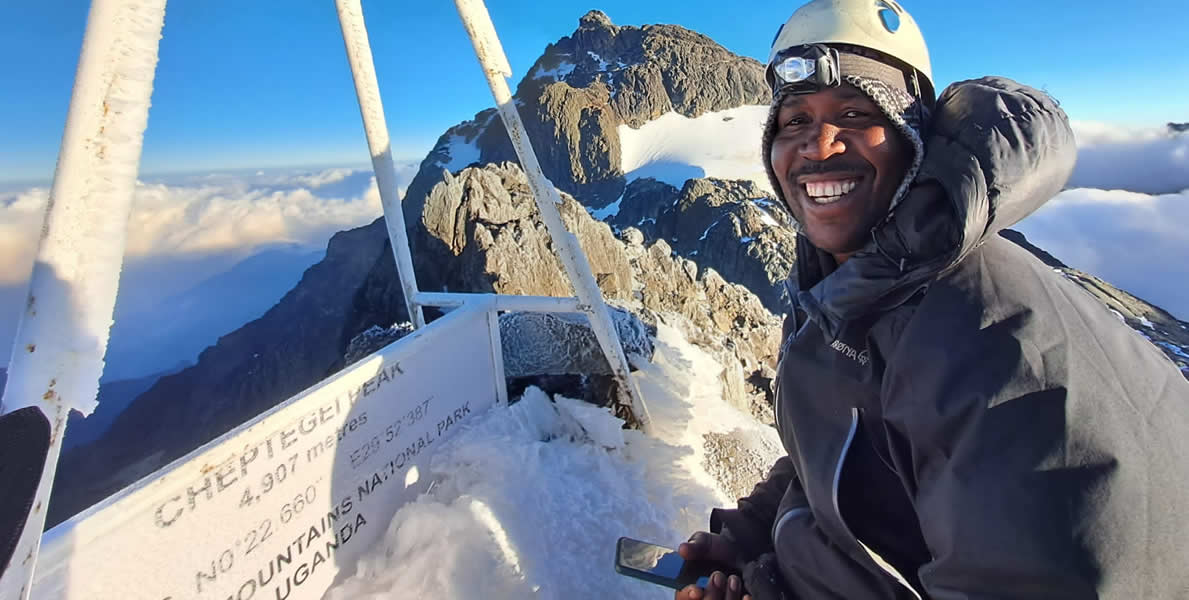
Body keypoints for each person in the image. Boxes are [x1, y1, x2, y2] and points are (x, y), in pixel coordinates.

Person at [676, 1, 1189, 598]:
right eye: (794, 121)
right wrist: (751, 536)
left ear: (912, 139)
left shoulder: (986, 342)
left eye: (855, 113)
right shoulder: (856, 285)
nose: (818, 145)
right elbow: (855, 449)